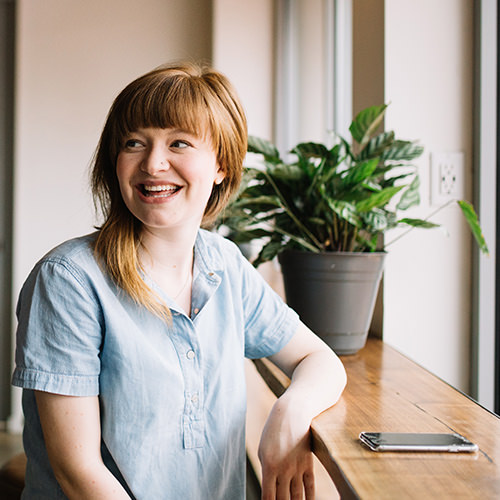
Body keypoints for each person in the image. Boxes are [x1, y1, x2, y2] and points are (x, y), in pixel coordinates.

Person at [12, 62, 346, 500]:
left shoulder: (224, 263)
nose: (153, 163)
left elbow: (319, 360)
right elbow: (79, 473)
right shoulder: (69, 280)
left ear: (222, 165)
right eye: (134, 143)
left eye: (179, 143)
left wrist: (291, 412)